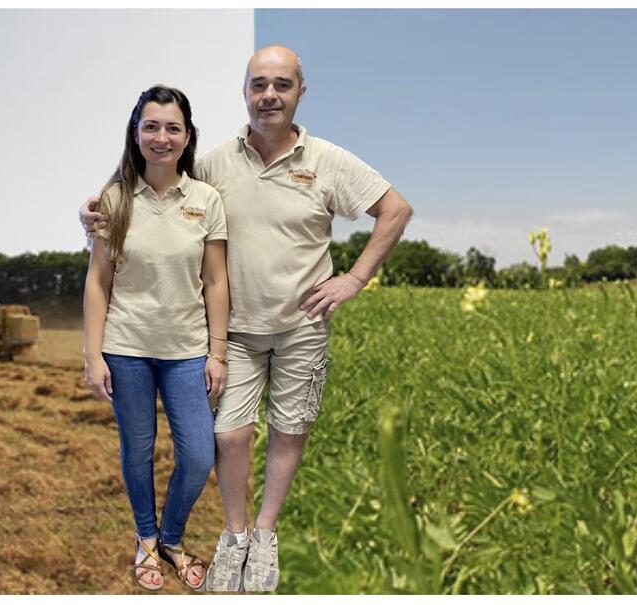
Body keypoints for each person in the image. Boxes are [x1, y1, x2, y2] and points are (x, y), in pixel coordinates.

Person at [81, 46, 413, 592]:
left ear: (300, 92)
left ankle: (263, 537)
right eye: (259, 84)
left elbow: (395, 209)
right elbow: (144, 205)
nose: (270, 95)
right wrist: (86, 216)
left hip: (300, 327)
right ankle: (229, 535)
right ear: (244, 91)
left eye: (282, 85)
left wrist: (354, 279)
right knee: (228, 437)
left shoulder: (327, 159)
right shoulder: (213, 164)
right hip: (231, 333)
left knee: (288, 431)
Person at [82, 85, 230, 591]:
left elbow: (216, 281)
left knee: (197, 455)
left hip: (188, 351)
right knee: (137, 449)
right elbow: (98, 283)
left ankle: (171, 535)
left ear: (187, 137)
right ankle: (146, 538)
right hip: (125, 350)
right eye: (151, 126)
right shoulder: (114, 201)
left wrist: (217, 352)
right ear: (136, 132)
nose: (161, 137)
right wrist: (93, 356)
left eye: (172, 127)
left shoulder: (207, 200)